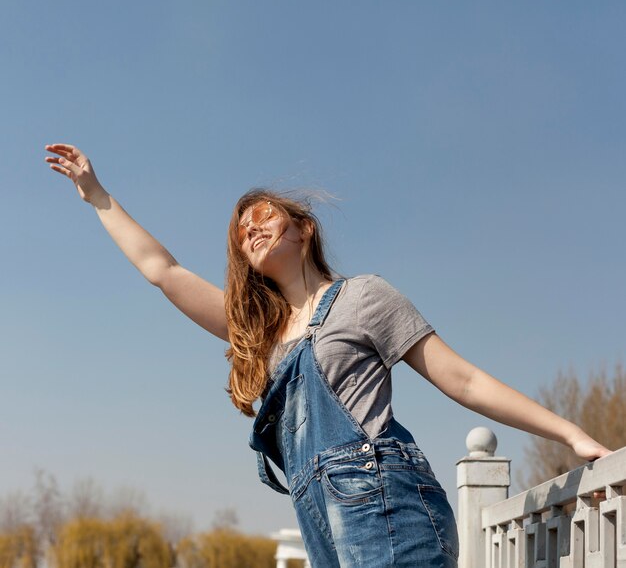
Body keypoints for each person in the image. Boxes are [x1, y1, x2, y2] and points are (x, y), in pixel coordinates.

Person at [44, 143, 611, 568]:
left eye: (263, 216)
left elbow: (461, 378)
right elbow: (162, 271)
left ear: (304, 228)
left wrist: (568, 434)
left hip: (388, 507)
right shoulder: (258, 334)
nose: (251, 230)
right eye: (242, 232)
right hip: (323, 525)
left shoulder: (365, 296)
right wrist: (98, 196)